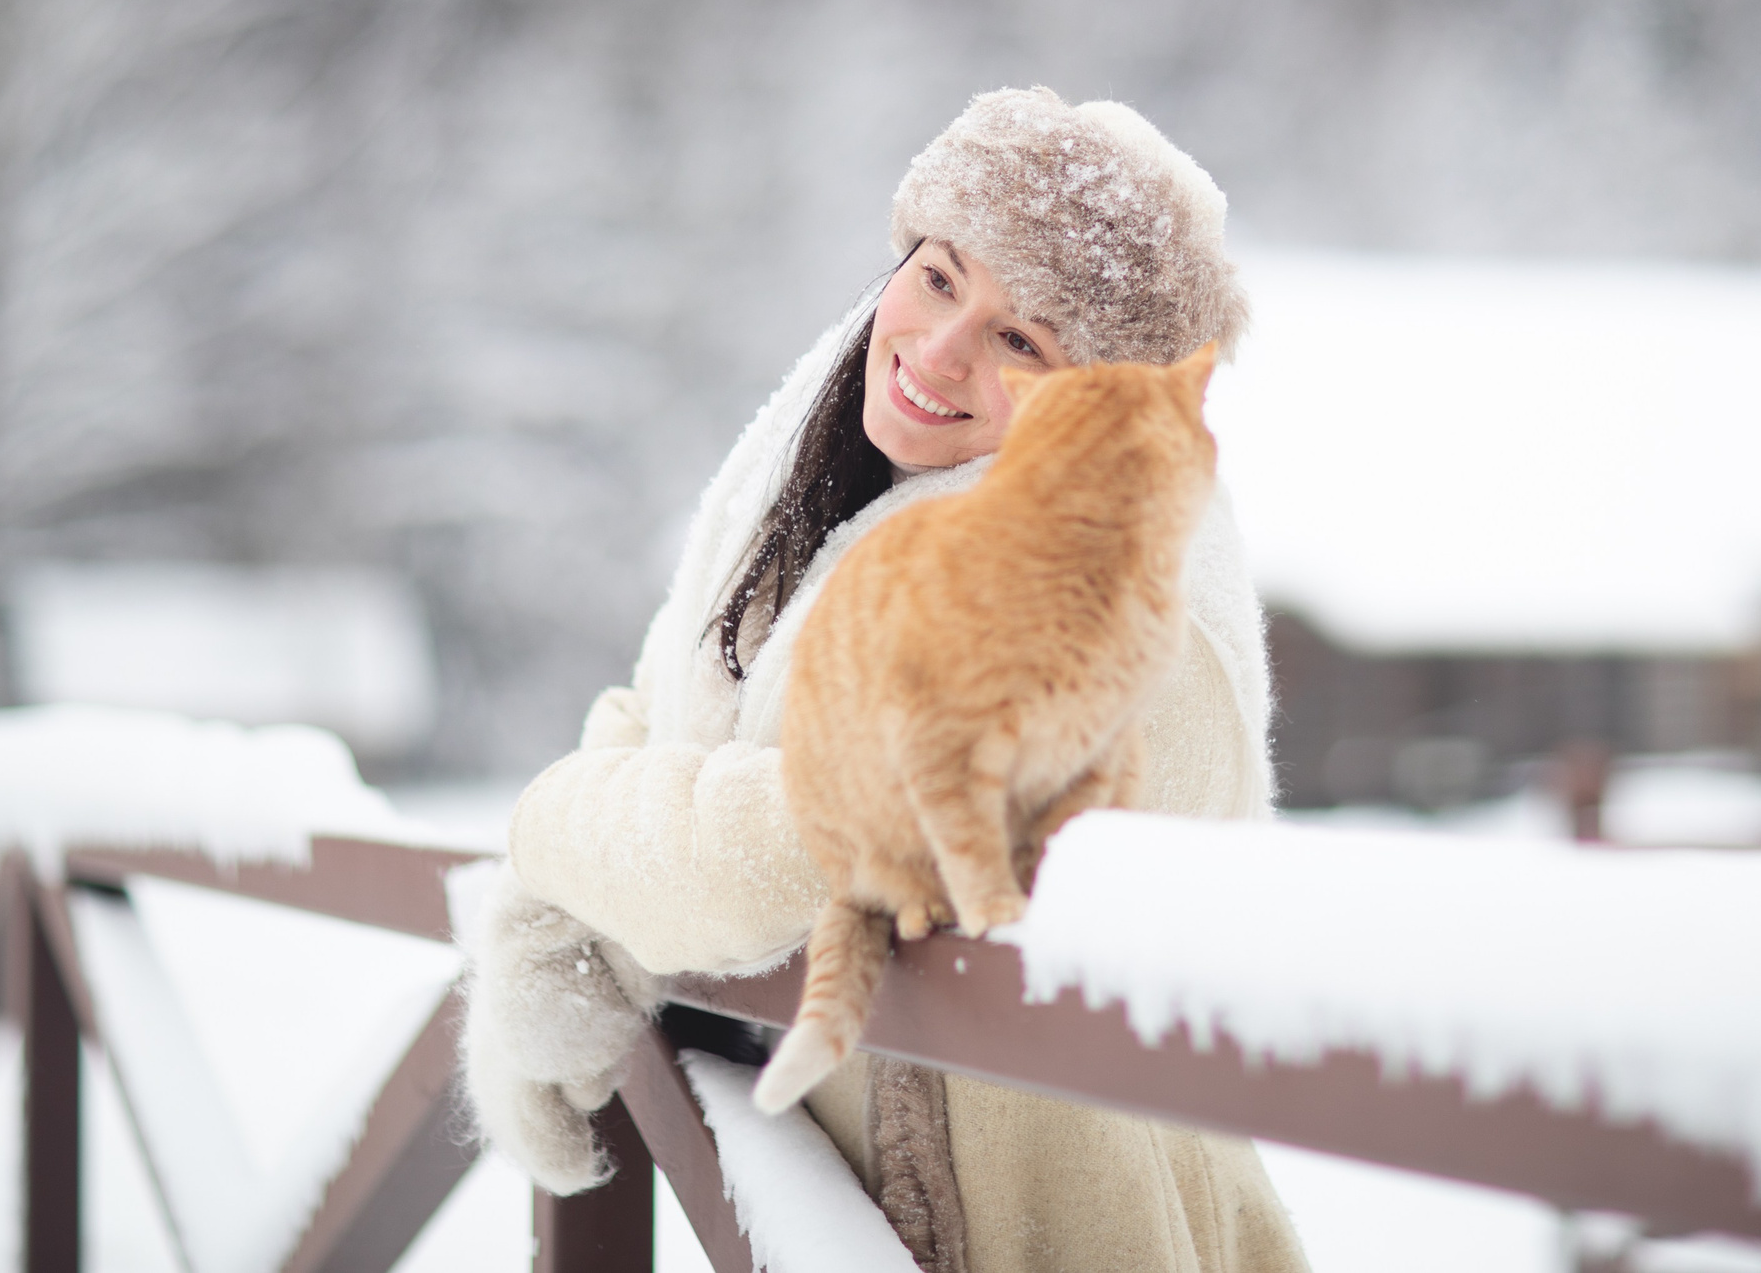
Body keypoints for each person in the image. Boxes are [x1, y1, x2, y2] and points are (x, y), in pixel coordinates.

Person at [462, 85, 1310, 1273]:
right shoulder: (836, 472)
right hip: (828, 1206)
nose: (941, 349)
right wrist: (553, 923)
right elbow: (671, 712)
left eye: (1022, 342)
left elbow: (781, 840)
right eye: (941, 277)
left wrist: (549, 835)